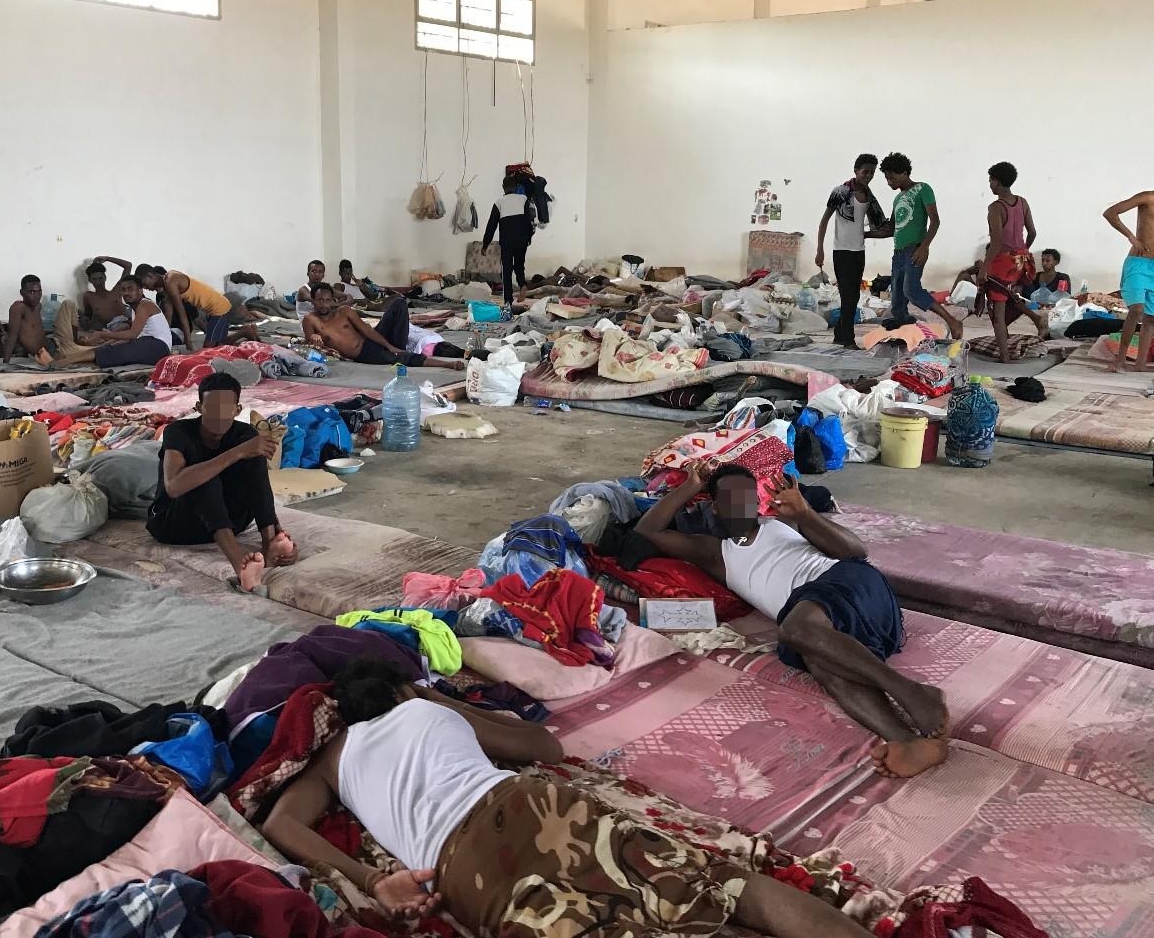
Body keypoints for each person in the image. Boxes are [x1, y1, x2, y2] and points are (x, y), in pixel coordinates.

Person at [261, 659, 873, 938]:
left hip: (468, 871)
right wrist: (440, 701)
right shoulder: (424, 707)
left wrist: (370, 880)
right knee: (724, 885)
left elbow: (286, 825)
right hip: (529, 802)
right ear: (399, 690)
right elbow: (546, 748)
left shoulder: (332, 758)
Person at [635, 462, 948, 779]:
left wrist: (805, 514)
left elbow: (856, 551)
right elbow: (647, 532)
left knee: (793, 630)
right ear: (713, 507)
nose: (741, 502)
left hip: (850, 585)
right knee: (820, 662)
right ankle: (906, 740)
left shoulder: (782, 524)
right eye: (730, 497)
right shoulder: (716, 552)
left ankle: (912, 693)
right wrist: (690, 486)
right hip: (825, 627)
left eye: (746, 495)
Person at [146, 371, 297, 593]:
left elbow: (257, 484)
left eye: (226, 408)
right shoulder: (178, 432)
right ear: (199, 407)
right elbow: (174, 486)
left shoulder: (244, 433)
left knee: (253, 461)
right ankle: (240, 565)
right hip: (175, 524)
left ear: (237, 410)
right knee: (203, 479)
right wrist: (237, 452)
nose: (218, 415)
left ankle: (270, 544)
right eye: (212, 407)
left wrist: (276, 526)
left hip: (229, 520)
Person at [880, 153, 964, 339]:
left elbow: (935, 221)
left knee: (912, 290)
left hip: (914, 249)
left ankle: (952, 321)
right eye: (886, 178)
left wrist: (924, 247)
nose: (889, 182)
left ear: (904, 172)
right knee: (896, 302)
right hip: (898, 253)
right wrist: (864, 234)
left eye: (891, 177)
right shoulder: (897, 199)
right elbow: (891, 229)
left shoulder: (922, 189)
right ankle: (904, 327)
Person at [815, 153, 889, 348]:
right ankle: (847, 338)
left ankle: (840, 333)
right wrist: (819, 250)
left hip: (859, 251)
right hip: (842, 251)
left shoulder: (869, 196)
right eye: (865, 171)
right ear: (856, 170)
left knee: (853, 296)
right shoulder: (840, 192)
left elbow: (878, 224)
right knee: (848, 296)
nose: (868, 176)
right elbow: (824, 221)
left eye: (872, 173)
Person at [302, 284, 463, 369]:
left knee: (399, 303)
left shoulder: (344, 311)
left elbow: (366, 330)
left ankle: (397, 349)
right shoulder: (310, 319)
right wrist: (313, 337)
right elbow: (309, 344)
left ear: (333, 300)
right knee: (402, 357)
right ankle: (448, 364)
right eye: (320, 300)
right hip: (364, 353)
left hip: (373, 339)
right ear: (313, 301)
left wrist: (389, 345)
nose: (324, 304)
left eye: (327, 300)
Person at [976, 162, 1040, 364]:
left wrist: (984, 268)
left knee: (997, 313)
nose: (990, 185)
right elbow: (1032, 233)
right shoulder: (1023, 202)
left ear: (997, 181)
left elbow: (995, 243)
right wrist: (1023, 251)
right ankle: (1036, 320)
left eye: (990, 181)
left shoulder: (996, 208)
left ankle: (1004, 358)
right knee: (1013, 297)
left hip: (1002, 262)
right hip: (1021, 261)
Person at [52, 275, 172, 369]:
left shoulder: (145, 304)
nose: (126, 293)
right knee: (111, 349)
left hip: (158, 347)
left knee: (116, 351)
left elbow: (132, 334)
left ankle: (63, 362)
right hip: (149, 345)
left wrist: (102, 334)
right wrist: (106, 344)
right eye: (123, 290)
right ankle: (67, 360)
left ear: (140, 291)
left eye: (130, 289)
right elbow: (132, 337)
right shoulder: (135, 309)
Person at [1102, 190, 1154, 373]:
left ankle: (1140, 364)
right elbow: (1110, 213)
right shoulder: (1148, 197)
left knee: (1151, 317)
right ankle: (1120, 361)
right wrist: (1131, 236)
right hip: (1138, 263)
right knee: (1137, 309)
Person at [135, 264, 233, 352]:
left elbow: (182, 314)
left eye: (143, 284)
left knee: (207, 350)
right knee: (219, 345)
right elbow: (168, 316)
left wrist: (189, 344)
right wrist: (163, 337)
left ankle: (244, 332)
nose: (144, 287)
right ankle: (243, 332)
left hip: (219, 308)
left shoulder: (171, 281)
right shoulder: (167, 289)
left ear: (150, 276)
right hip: (214, 309)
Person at [482, 176, 536, 307]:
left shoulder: (499, 202)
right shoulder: (523, 200)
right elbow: (529, 221)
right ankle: (522, 284)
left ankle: (508, 301)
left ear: (503, 187)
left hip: (507, 240)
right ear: (516, 187)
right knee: (519, 265)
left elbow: (491, 225)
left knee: (507, 270)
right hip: (522, 239)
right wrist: (528, 238)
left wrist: (485, 244)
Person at [0, 275, 54, 364]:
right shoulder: (18, 307)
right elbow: (12, 336)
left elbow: (35, 328)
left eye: (39, 291)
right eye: (32, 292)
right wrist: (5, 363)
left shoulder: (38, 306)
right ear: (22, 292)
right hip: (34, 354)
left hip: (46, 349)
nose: (36, 296)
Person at [81, 256, 132, 330]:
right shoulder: (88, 296)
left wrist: (107, 258)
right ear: (90, 280)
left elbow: (128, 265)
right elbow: (88, 317)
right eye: (94, 279)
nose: (98, 282)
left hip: (128, 324)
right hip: (112, 330)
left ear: (105, 277)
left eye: (100, 278)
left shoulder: (117, 290)